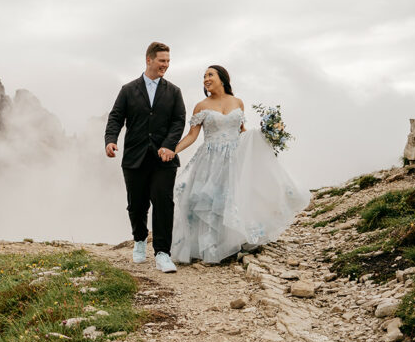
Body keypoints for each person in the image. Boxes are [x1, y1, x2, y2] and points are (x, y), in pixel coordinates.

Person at [169, 65, 310, 264]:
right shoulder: (201, 106)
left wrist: (264, 137)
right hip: (210, 159)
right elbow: (192, 135)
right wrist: (173, 150)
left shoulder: (237, 102)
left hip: (235, 156)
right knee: (210, 200)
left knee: (233, 197)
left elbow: (242, 131)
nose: (206, 79)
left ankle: (232, 243)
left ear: (222, 78)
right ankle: (210, 247)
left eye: (210, 75)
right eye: (204, 76)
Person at [105, 42, 186, 273]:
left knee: (163, 203)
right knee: (137, 204)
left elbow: (178, 121)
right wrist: (110, 140)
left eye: (168, 61)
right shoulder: (128, 90)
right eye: (162, 60)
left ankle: (162, 253)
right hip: (135, 157)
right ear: (149, 60)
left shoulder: (174, 92)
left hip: (164, 159)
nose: (166, 65)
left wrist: (169, 146)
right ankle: (139, 240)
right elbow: (116, 117)